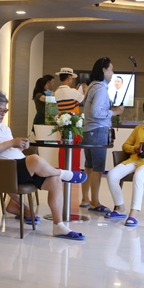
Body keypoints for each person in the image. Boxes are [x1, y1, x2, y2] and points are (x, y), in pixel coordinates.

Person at [0, 89, 87, 239]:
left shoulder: (3, 126)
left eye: (5, 110)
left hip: (17, 166)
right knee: (34, 159)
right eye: (1, 110)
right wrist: (12, 142)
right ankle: (65, 173)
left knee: (55, 180)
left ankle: (59, 225)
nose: (4, 113)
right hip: (3, 170)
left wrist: (19, 146)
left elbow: (7, 149)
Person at [105, 102, 144, 226]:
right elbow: (125, 146)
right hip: (134, 160)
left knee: (139, 175)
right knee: (111, 175)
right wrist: (135, 149)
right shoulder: (139, 128)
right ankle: (120, 208)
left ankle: (133, 214)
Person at [81, 57, 124, 215]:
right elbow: (96, 112)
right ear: (104, 70)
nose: (112, 72)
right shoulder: (100, 89)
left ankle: (85, 199)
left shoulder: (92, 86)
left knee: (89, 166)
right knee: (97, 168)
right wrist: (114, 112)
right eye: (111, 69)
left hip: (88, 130)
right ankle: (94, 202)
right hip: (98, 130)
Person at [53, 67, 88, 204]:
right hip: (74, 123)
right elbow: (84, 100)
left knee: (63, 147)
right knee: (75, 148)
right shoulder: (72, 91)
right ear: (68, 78)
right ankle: (74, 172)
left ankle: (62, 171)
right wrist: (84, 90)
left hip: (62, 124)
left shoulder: (57, 92)